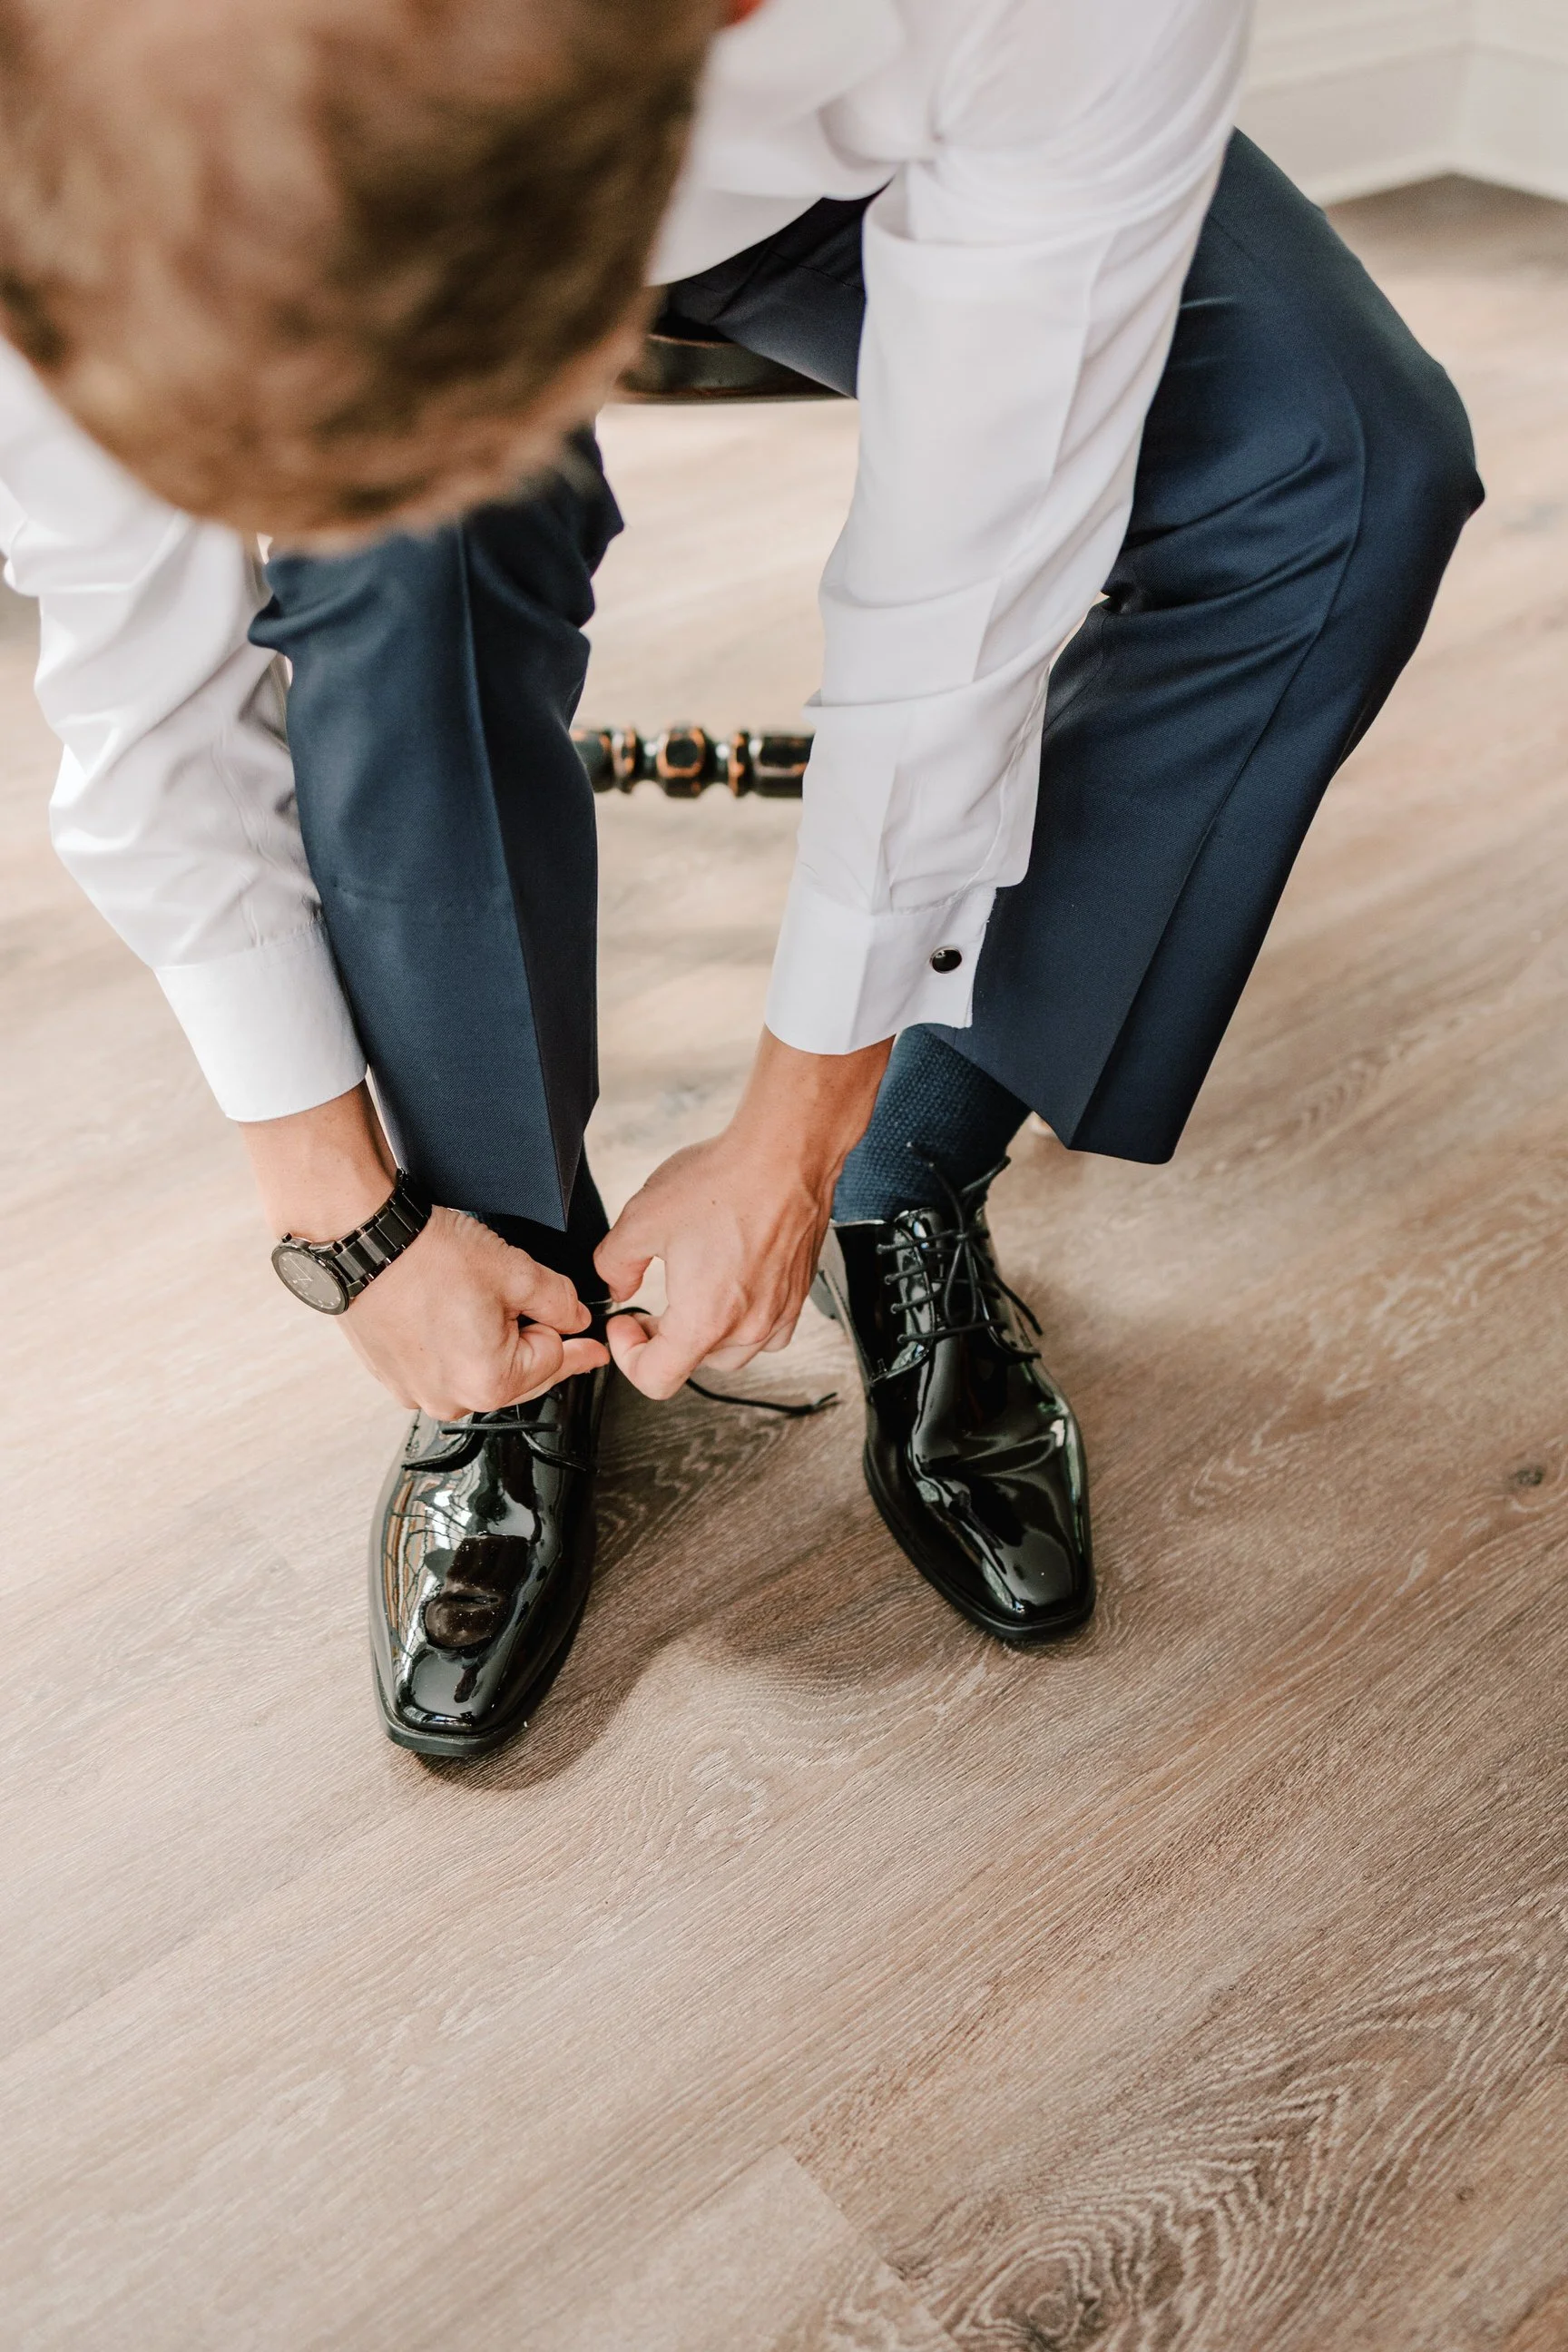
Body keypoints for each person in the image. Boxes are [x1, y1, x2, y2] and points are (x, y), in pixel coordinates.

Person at [0, 0, 1481, 1757]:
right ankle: (508, 1285)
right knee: (401, 567)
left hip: (868, 139)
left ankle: (903, 1183)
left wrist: (799, 1127)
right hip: (383, 149)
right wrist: (346, 1219)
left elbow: (975, 572)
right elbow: (133, 643)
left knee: (1346, 465)